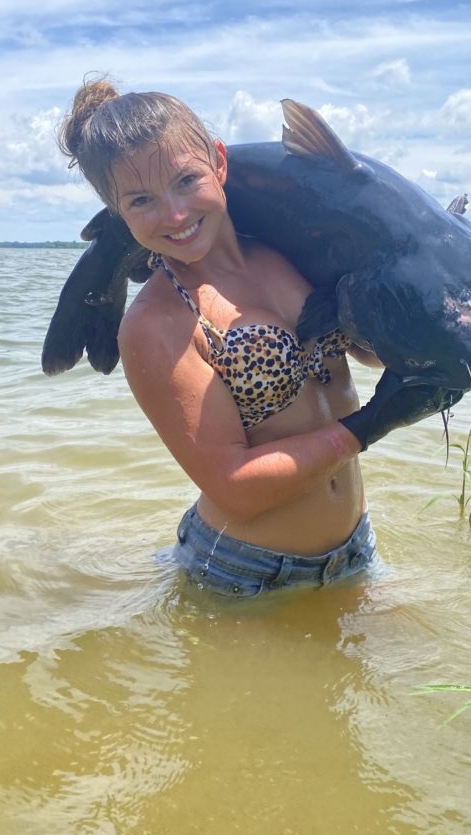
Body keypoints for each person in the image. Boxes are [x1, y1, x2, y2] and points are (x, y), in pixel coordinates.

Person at [59, 78, 450, 597]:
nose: (174, 214)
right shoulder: (157, 324)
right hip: (245, 572)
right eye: (141, 200)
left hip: (358, 546)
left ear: (219, 162)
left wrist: (418, 345)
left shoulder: (289, 251)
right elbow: (235, 487)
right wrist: (378, 420)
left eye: (185, 180)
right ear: (117, 211)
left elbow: (356, 350)